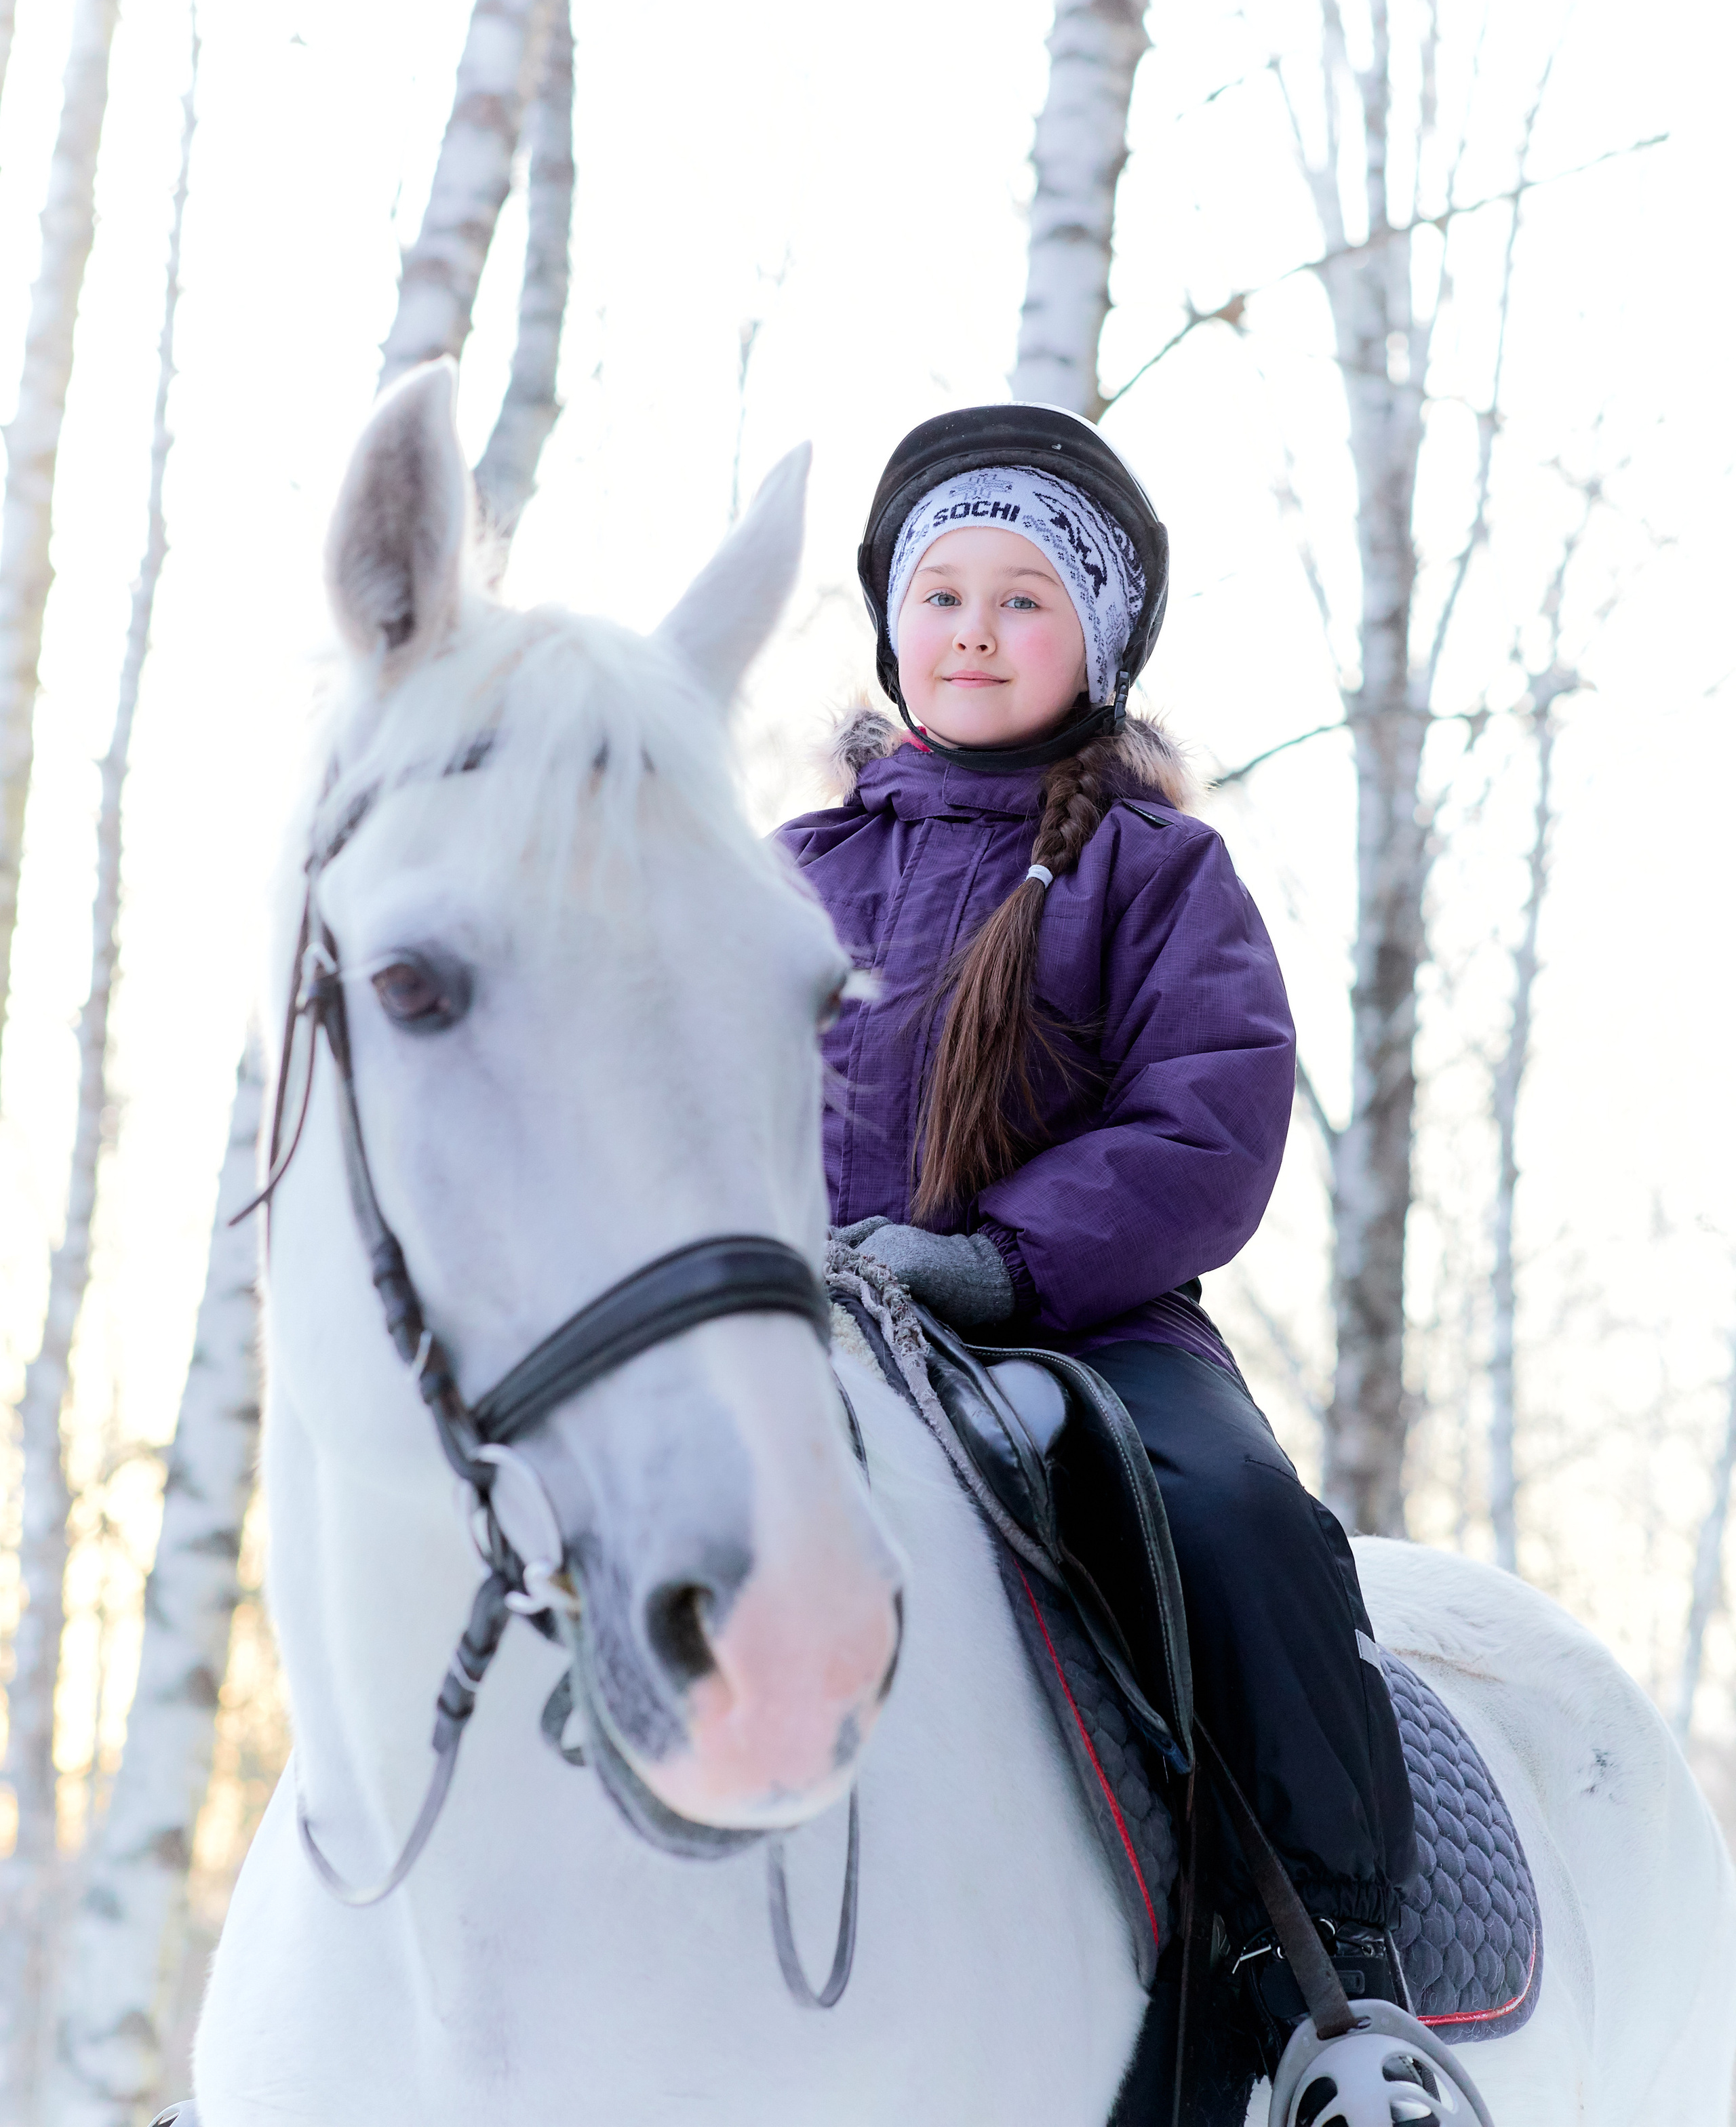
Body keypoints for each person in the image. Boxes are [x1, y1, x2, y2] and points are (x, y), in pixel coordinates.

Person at [774, 404, 1418, 2109]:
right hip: (808, 1329)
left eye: (1022, 600)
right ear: (893, 628)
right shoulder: (784, 876)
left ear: (1095, 646)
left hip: (1085, 1332)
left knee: (1233, 1516)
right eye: (941, 595)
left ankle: (1332, 1988)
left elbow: (1208, 1122)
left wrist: (996, 1263)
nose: (973, 630)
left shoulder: (1150, 868)